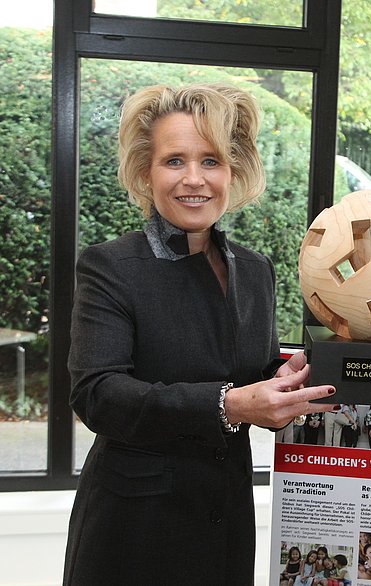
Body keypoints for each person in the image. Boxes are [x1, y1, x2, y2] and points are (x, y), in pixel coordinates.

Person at [62, 83, 337, 585]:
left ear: (233, 170)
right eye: (174, 161)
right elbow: (97, 395)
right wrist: (230, 405)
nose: (195, 180)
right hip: (134, 531)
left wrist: (286, 377)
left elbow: (248, 371)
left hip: (225, 520)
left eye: (211, 161)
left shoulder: (255, 270)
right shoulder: (111, 267)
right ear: (147, 172)